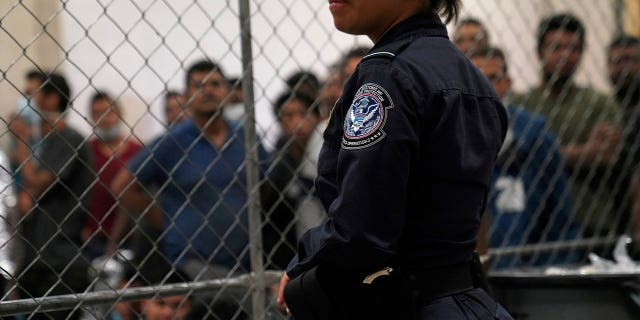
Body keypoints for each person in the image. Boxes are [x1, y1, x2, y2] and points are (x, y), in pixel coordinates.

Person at [278, 1, 513, 319]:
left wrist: (305, 261)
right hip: (469, 300)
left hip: (406, 301)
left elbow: (363, 227)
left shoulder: (388, 74)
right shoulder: (470, 75)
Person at [111, 59, 267, 283]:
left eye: (214, 84)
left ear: (227, 92)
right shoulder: (172, 142)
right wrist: (165, 219)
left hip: (247, 260)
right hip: (192, 264)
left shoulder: (246, 137)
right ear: (186, 97)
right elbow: (122, 185)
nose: (208, 91)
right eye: (199, 86)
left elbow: (266, 183)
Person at [470, 47, 581, 269]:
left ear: (508, 83)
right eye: (477, 78)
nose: (486, 87)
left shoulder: (538, 139)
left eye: (493, 78)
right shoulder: (451, 140)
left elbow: (562, 217)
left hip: (532, 269)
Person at [513, 14, 622, 238]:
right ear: (539, 52)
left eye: (573, 49)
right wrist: (584, 152)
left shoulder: (600, 103)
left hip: (591, 220)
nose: (565, 55)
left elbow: (605, 155)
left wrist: (539, 153)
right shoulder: (520, 104)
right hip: (531, 222)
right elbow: (511, 156)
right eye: (556, 47)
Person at [10, 73, 93, 320]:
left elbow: (36, 182)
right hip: (32, 258)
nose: (23, 101)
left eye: (29, 94)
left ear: (52, 99)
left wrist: (21, 139)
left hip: (60, 262)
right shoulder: (41, 143)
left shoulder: (69, 140)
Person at [261, 91, 322, 269]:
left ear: (317, 118)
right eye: (288, 116)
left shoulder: (334, 158)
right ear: (279, 122)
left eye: (303, 114)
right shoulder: (276, 168)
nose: (297, 123)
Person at [84, 91, 142, 259]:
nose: (105, 120)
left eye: (109, 112)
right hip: (92, 238)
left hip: (132, 238)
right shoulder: (85, 152)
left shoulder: (138, 152)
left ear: (120, 114)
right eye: (97, 114)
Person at [607, 35, 640, 236]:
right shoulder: (603, 110)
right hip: (613, 209)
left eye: (632, 60)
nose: (625, 68)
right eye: (618, 61)